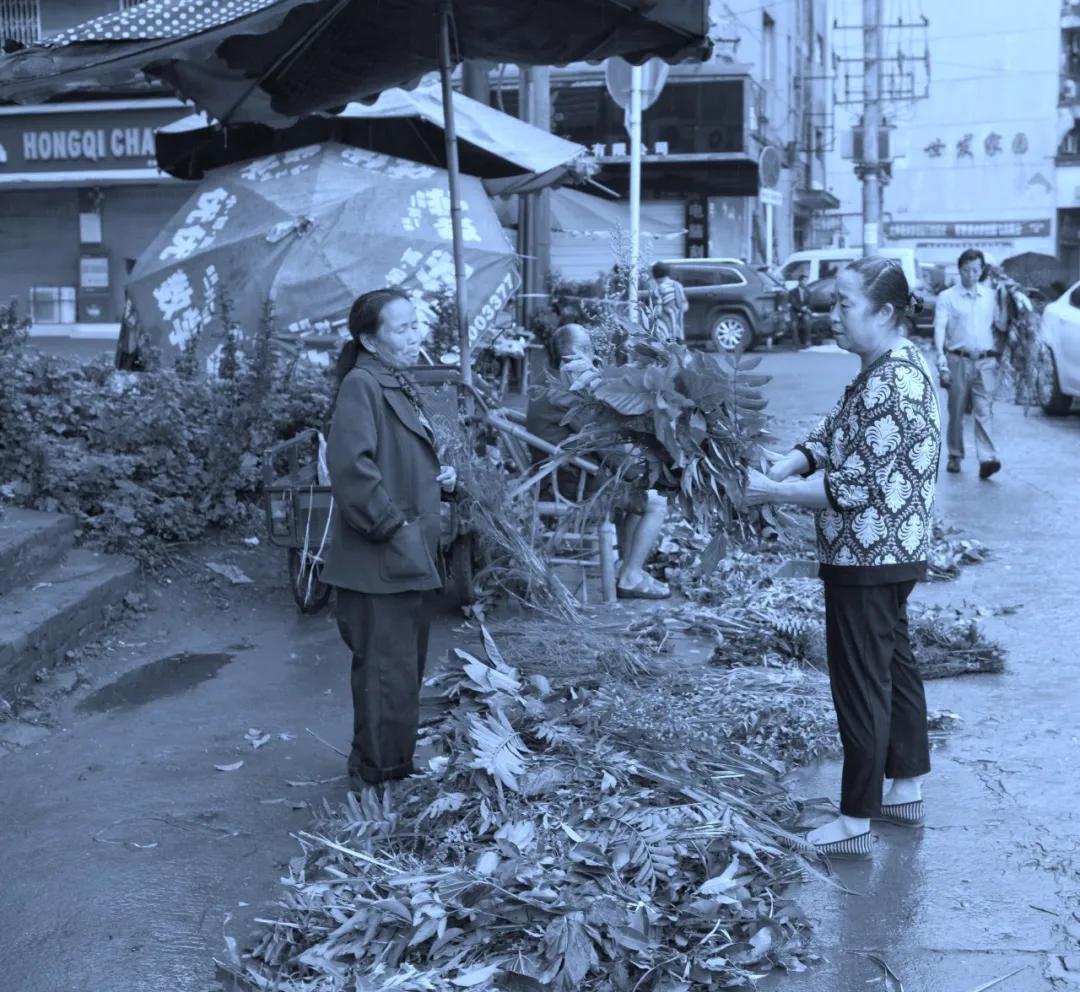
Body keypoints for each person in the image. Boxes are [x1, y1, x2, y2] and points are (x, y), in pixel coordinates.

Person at [745, 257, 941, 860]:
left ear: (885, 312)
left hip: (868, 554)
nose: (831, 315)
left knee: (861, 685)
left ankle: (855, 820)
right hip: (890, 551)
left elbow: (854, 485)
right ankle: (904, 791)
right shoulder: (887, 367)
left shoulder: (892, 383)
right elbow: (833, 434)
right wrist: (790, 463)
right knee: (893, 669)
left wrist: (771, 491)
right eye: (832, 303)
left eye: (843, 304)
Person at [321, 289, 458, 790]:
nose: (415, 335)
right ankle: (381, 778)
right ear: (369, 340)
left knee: (399, 672)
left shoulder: (394, 380)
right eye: (402, 328)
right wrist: (392, 527)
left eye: (415, 323)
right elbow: (350, 469)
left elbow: (400, 458)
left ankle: (383, 766)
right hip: (381, 558)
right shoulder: (362, 384)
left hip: (405, 554)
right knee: (386, 675)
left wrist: (441, 480)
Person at [525, 323, 671, 599]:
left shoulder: (546, 382)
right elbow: (607, 446)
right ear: (580, 353)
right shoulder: (568, 393)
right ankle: (631, 576)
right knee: (657, 502)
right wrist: (644, 466)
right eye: (591, 351)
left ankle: (626, 568)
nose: (594, 358)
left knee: (637, 488)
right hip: (575, 487)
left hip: (560, 477)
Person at [934, 248, 1003, 479]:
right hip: (957, 360)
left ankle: (987, 458)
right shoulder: (947, 297)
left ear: (982, 271)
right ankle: (955, 455)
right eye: (966, 270)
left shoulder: (992, 296)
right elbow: (940, 326)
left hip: (985, 362)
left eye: (975, 270)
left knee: (984, 411)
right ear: (959, 270)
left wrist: (1010, 296)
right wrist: (940, 356)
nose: (971, 275)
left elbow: (1001, 325)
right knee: (956, 411)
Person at [647, 261, 689, 343]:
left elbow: (658, 311)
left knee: (668, 348)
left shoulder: (659, 290)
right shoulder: (678, 286)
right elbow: (685, 307)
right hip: (679, 332)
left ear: (655, 276)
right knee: (678, 349)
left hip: (666, 332)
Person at [788, 274, 813, 349]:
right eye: (804, 281)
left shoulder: (808, 291)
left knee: (807, 320)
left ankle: (807, 341)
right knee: (794, 324)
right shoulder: (792, 292)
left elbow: (810, 303)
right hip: (794, 311)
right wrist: (801, 309)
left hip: (804, 312)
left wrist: (807, 308)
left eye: (806, 281)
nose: (806, 282)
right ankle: (796, 344)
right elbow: (793, 303)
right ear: (800, 281)